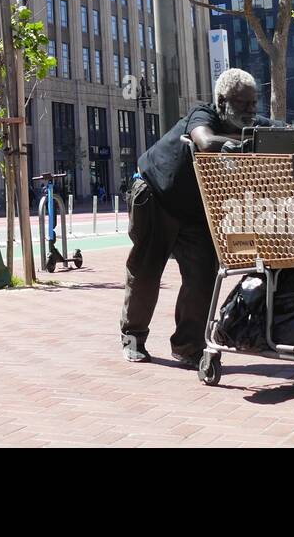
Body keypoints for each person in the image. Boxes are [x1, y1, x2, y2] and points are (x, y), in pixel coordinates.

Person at [121, 67, 261, 367]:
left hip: (196, 209)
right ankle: (133, 336)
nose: (250, 110)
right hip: (156, 195)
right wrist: (241, 142)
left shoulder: (251, 123)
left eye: (254, 103)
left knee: (202, 278)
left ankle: (188, 346)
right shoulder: (202, 115)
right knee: (146, 271)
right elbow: (206, 141)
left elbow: (279, 130)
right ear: (222, 101)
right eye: (243, 103)